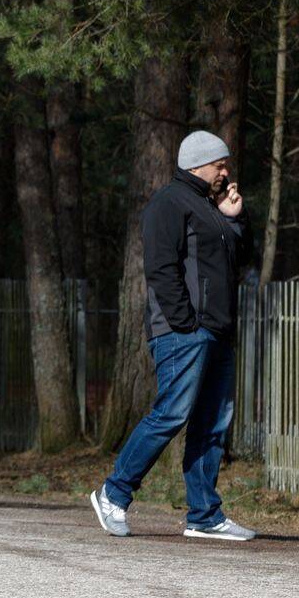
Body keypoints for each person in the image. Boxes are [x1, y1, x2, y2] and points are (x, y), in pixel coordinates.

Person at [90, 129, 257, 542]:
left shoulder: (211, 207)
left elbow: (240, 261)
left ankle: (204, 515)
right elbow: (161, 268)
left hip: (217, 331)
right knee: (171, 413)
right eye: (221, 165)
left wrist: (235, 219)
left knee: (212, 423)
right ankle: (113, 494)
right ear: (200, 163)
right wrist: (186, 321)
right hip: (184, 331)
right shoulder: (168, 202)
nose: (226, 172)